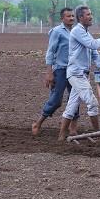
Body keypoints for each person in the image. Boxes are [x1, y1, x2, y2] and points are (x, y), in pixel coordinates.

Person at [57, 5, 100, 141]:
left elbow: (94, 54)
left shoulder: (85, 32)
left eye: (91, 14)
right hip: (76, 73)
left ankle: (61, 136)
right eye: (88, 15)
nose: (91, 17)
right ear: (81, 18)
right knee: (93, 102)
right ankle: (98, 133)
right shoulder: (77, 31)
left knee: (72, 105)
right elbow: (94, 45)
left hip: (82, 74)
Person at [32, 7, 80, 136]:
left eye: (72, 16)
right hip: (60, 70)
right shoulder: (57, 32)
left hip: (74, 70)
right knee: (56, 99)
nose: (71, 18)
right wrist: (49, 72)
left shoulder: (75, 32)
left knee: (74, 98)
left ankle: (73, 128)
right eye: (68, 16)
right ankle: (38, 123)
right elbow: (50, 52)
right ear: (62, 18)